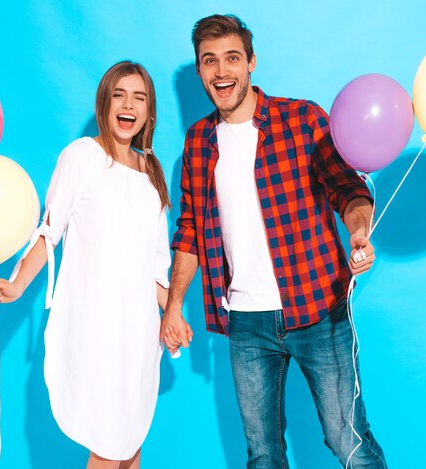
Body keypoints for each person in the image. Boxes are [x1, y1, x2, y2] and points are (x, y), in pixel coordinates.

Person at [160, 14, 387, 469]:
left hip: (319, 309)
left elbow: (349, 189)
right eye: (210, 61)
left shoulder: (302, 119)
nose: (221, 72)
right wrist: (173, 304)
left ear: (251, 63)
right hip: (245, 323)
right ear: (201, 70)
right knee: (263, 454)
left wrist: (358, 229)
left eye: (232, 59)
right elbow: (189, 230)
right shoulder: (199, 142)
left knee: (349, 443)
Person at [0, 61, 172, 469]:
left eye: (139, 97)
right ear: (104, 101)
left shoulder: (152, 173)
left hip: (138, 331)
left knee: (131, 443)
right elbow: (51, 230)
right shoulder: (83, 156)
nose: (128, 104)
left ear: (149, 113)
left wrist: (172, 315)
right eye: (119, 94)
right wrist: (16, 285)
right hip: (96, 325)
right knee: (107, 443)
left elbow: (155, 268)